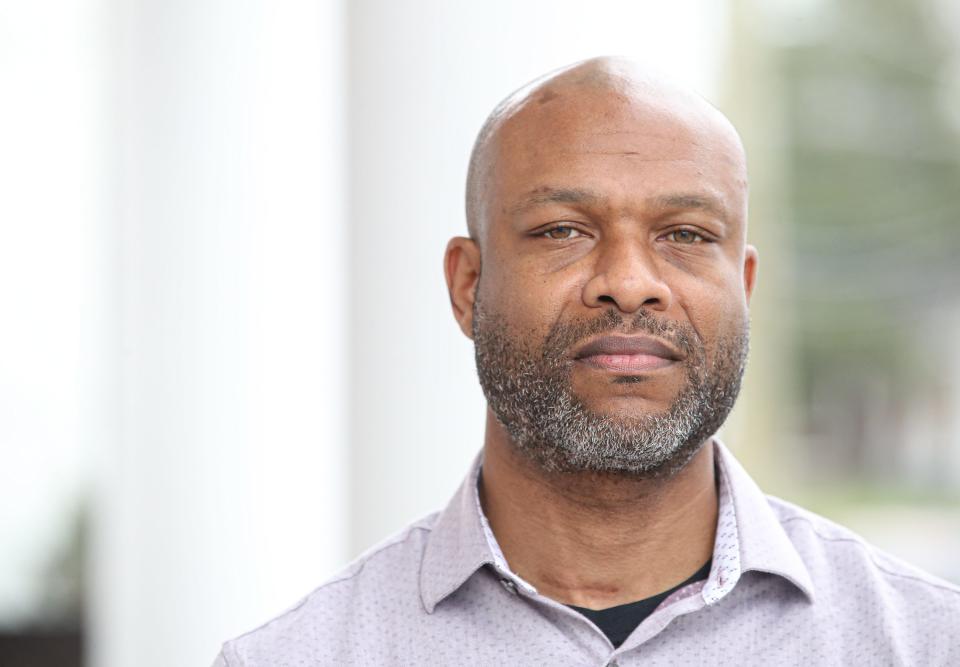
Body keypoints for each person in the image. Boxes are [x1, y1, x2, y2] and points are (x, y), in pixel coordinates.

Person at [213, 57, 960, 666]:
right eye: (564, 229)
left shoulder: (923, 643)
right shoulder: (300, 655)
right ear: (467, 286)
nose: (630, 281)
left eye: (688, 235)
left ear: (746, 286)